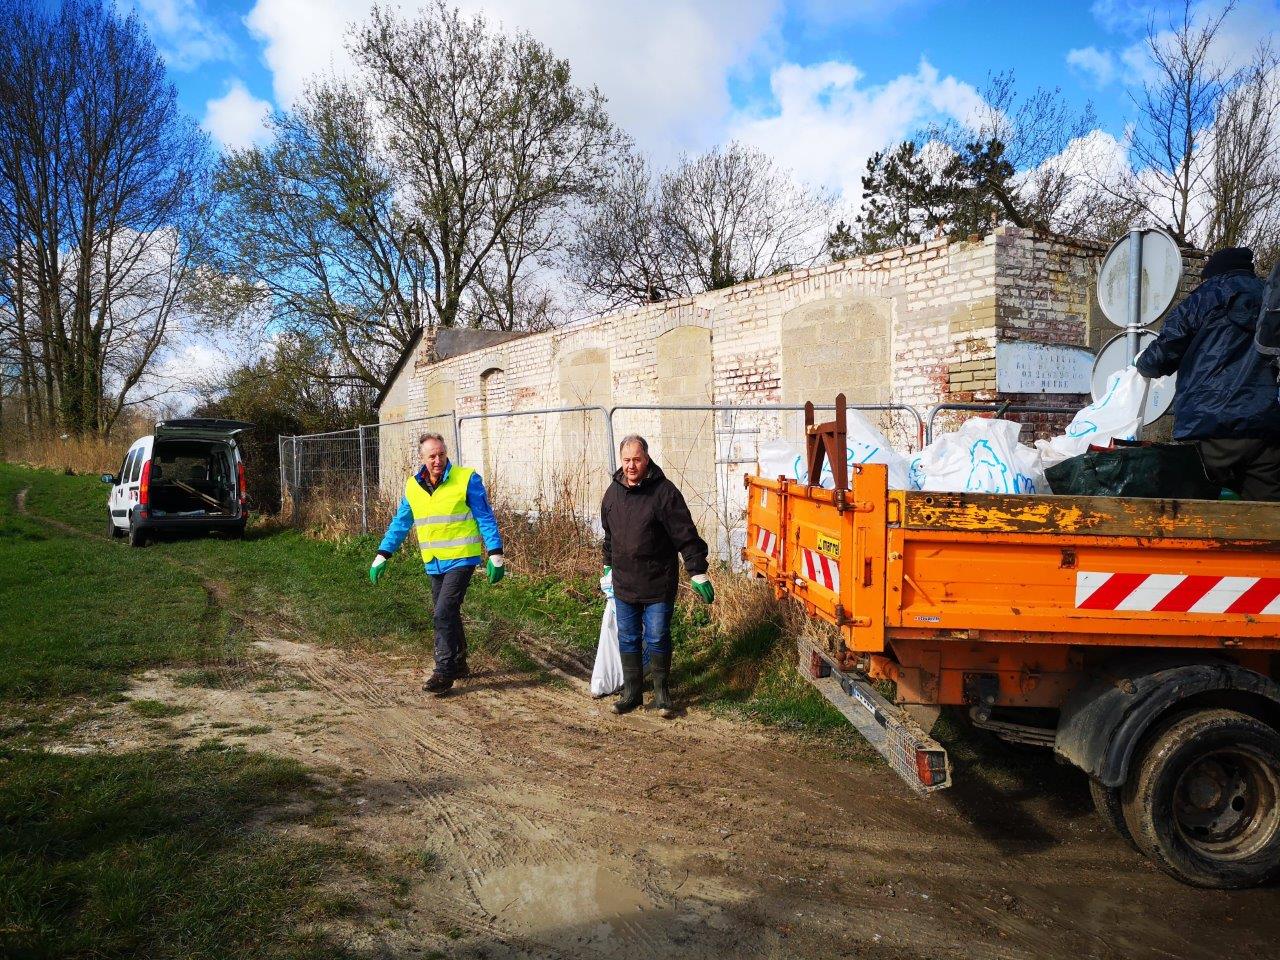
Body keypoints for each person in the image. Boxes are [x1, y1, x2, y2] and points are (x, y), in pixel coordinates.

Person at [1136, 246, 1280, 501]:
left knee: (1196, 513)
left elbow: (1162, 354)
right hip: (1264, 428)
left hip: (1207, 425)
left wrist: (1141, 364)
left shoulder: (1205, 297)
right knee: (1268, 520)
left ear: (1212, 273)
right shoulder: (1272, 300)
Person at [370, 432, 505, 695]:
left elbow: (485, 517)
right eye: (432, 455)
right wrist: (383, 554)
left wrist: (495, 552)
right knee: (448, 612)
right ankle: (459, 661)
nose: (438, 460)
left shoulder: (466, 479)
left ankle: (444, 671)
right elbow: (401, 523)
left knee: (442, 612)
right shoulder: (413, 487)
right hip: (433, 562)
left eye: (441, 454)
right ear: (421, 458)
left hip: (462, 558)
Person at [601, 434, 712, 719]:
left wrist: (697, 570)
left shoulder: (664, 493)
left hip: (657, 583)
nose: (631, 466)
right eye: (626, 460)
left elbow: (685, 535)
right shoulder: (612, 494)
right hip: (624, 583)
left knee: (657, 636)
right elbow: (610, 537)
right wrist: (607, 566)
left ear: (647, 458)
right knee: (627, 638)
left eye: (637, 459)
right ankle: (632, 693)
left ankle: (662, 693)